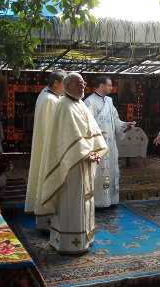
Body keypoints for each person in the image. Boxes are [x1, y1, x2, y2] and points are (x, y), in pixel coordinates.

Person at [40, 73, 108, 255]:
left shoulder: (80, 104)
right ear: (67, 86)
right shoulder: (63, 106)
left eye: (84, 83)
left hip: (83, 162)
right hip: (70, 163)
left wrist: (94, 151)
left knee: (83, 199)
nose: (83, 86)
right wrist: (88, 154)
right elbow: (67, 138)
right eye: (79, 84)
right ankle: (69, 242)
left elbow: (91, 130)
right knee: (72, 201)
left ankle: (85, 237)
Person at [84, 75, 134, 208]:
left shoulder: (110, 101)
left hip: (111, 144)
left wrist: (124, 125)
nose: (112, 88)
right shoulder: (89, 102)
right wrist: (100, 134)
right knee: (100, 172)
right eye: (109, 85)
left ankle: (109, 200)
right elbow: (88, 124)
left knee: (110, 170)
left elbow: (115, 119)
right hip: (98, 145)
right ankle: (99, 202)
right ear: (101, 86)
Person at [25, 69, 66, 224]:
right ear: (56, 83)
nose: (66, 88)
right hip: (49, 146)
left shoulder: (45, 94)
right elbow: (55, 128)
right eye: (64, 84)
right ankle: (46, 210)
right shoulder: (50, 100)